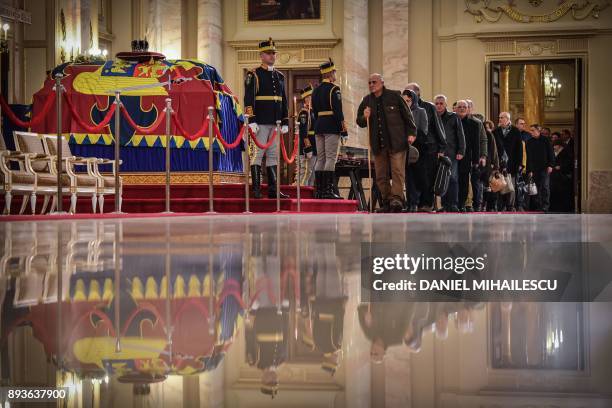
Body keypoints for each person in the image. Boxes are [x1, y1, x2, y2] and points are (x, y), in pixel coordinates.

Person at [356, 74, 417, 212]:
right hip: (378, 145)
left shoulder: (394, 96)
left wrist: (412, 133)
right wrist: (363, 117)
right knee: (381, 176)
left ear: (382, 82)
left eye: (374, 82)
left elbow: (408, 115)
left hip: (397, 142)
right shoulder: (366, 100)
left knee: (397, 172)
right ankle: (387, 201)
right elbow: (359, 122)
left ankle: (397, 200)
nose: (371, 84)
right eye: (369, 82)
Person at [244, 37, 290, 199]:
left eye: (273, 53)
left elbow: (283, 100)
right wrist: (252, 119)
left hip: (276, 122)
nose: (272, 56)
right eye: (269, 53)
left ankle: (273, 189)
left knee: (273, 155)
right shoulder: (254, 74)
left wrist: (285, 120)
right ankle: (256, 189)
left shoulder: (280, 76)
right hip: (261, 121)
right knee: (257, 154)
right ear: (261, 55)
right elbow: (248, 99)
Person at [404, 82, 446, 212]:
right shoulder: (404, 107)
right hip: (411, 147)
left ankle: (426, 204)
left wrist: (442, 147)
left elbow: (438, 127)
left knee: (427, 177)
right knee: (411, 177)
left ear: (417, 93)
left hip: (429, 147)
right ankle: (413, 204)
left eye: (409, 92)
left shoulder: (428, 107)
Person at [312, 58, 347, 199]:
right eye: (334, 72)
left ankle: (319, 191)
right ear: (330, 73)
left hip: (319, 125)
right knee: (330, 158)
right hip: (331, 126)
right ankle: (328, 191)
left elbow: (314, 111)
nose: (335, 74)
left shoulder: (316, 90)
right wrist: (343, 130)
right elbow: (338, 111)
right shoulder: (334, 89)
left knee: (321, 158)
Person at [434, 95, 465, 212]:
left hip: (451, 153)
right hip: (437, 153)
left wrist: (461, 151)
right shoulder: (433, 116)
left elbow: (460, 135)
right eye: (437, 103)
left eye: (441, 103)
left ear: (446, 105)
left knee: (452, 178)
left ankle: (452, 204)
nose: (439, 105)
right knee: (441, 179)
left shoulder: (454, 117)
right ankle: (443, 204)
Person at [456, 100, 486, 212]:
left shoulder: (475, 123)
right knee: (454, 180)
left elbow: (477, 143)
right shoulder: (453, 120)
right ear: (456, 108)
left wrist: (477, 160)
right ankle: (454, 203)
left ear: (468, 108)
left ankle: (463, 204)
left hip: (468, 156)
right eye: (460, 106)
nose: (462, 108)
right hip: (454, 156)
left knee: (465, 181)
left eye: (465, 107)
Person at [402, 88, 428, 212]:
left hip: (418, 148)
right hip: (404, 148)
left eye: (408, 100)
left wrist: (413, 137)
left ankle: (416, 202)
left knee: (417, 177)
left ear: (413, 100)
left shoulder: (421, 111)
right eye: (404, 101)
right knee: (408, 177)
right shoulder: (399, 112)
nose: (406, 103)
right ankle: (410, 203)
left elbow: (424, 130)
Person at [493, 112, 523, 211]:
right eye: (499, 117)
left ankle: (510, 206)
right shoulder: (496, 131)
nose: (500, 119)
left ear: (508, 119)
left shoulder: (515, 131)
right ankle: (501, 205)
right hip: (500, 162)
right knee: (500, 184)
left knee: (511, 185)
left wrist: (519, 163)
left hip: (512, 162)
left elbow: (519, 149)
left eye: (502, 118)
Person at [526, 124, 554, 212]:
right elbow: (529, 157)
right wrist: (529, 170)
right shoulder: (529, 142)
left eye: (533, 130)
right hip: (534, 169)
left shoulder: (546, 140)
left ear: (538, 131)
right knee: (536, 188)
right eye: (530, 130)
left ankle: (545, 206)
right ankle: (538, 206)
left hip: (545, 168)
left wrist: (551, 165)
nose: (531, 132)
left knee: (545, 187)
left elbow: (551, 154)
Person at [296, 85, 317, 188]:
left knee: (312, 174)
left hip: (315, 146)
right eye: (308, 97)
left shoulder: (313, 111)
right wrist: (308, 147)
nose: (310, 99)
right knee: (305, 172)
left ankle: (309, 198)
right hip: (307, 147)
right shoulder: (304, 113)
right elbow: (303, 132)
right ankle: (302, 194)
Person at [482, 119, 500, 211]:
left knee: (491, 186)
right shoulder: (483, 134)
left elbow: (494, 151)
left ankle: (491, 206)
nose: (487, 129)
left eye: (489, 128)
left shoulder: (490, 135)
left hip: (490, 164)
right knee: (485, 186)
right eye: (485, 127)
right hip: (484, 164)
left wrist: (496, 166)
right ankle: (484, 205)